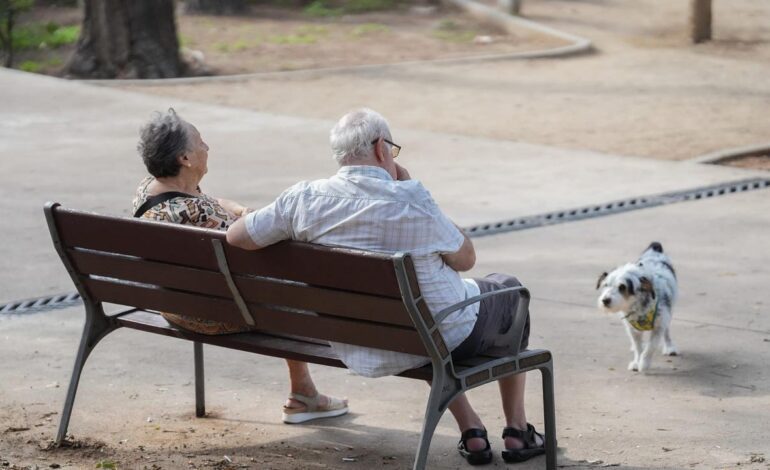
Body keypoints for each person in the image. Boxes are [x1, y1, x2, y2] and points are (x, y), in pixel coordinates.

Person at [226, 108, 546, 464]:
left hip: (360, 338)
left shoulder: (302, 199)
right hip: (435, 336)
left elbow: (236, 237)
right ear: (381, 148)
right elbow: (466, 258)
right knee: (509, 292)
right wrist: (415, 192)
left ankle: (471, 429)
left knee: (421, 313)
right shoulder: (412, 201)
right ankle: (517, 431)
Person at [132, 108, 348, 424]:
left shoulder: (151, 191)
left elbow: (209, 203)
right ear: (185, 159)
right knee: (287, 285)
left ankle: (303, 390)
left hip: (175, 305)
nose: (207, 146)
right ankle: (303, 394)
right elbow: (257, 243)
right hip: (217, 313)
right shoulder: (202, 215)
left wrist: (239, 209)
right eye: (200, 142)